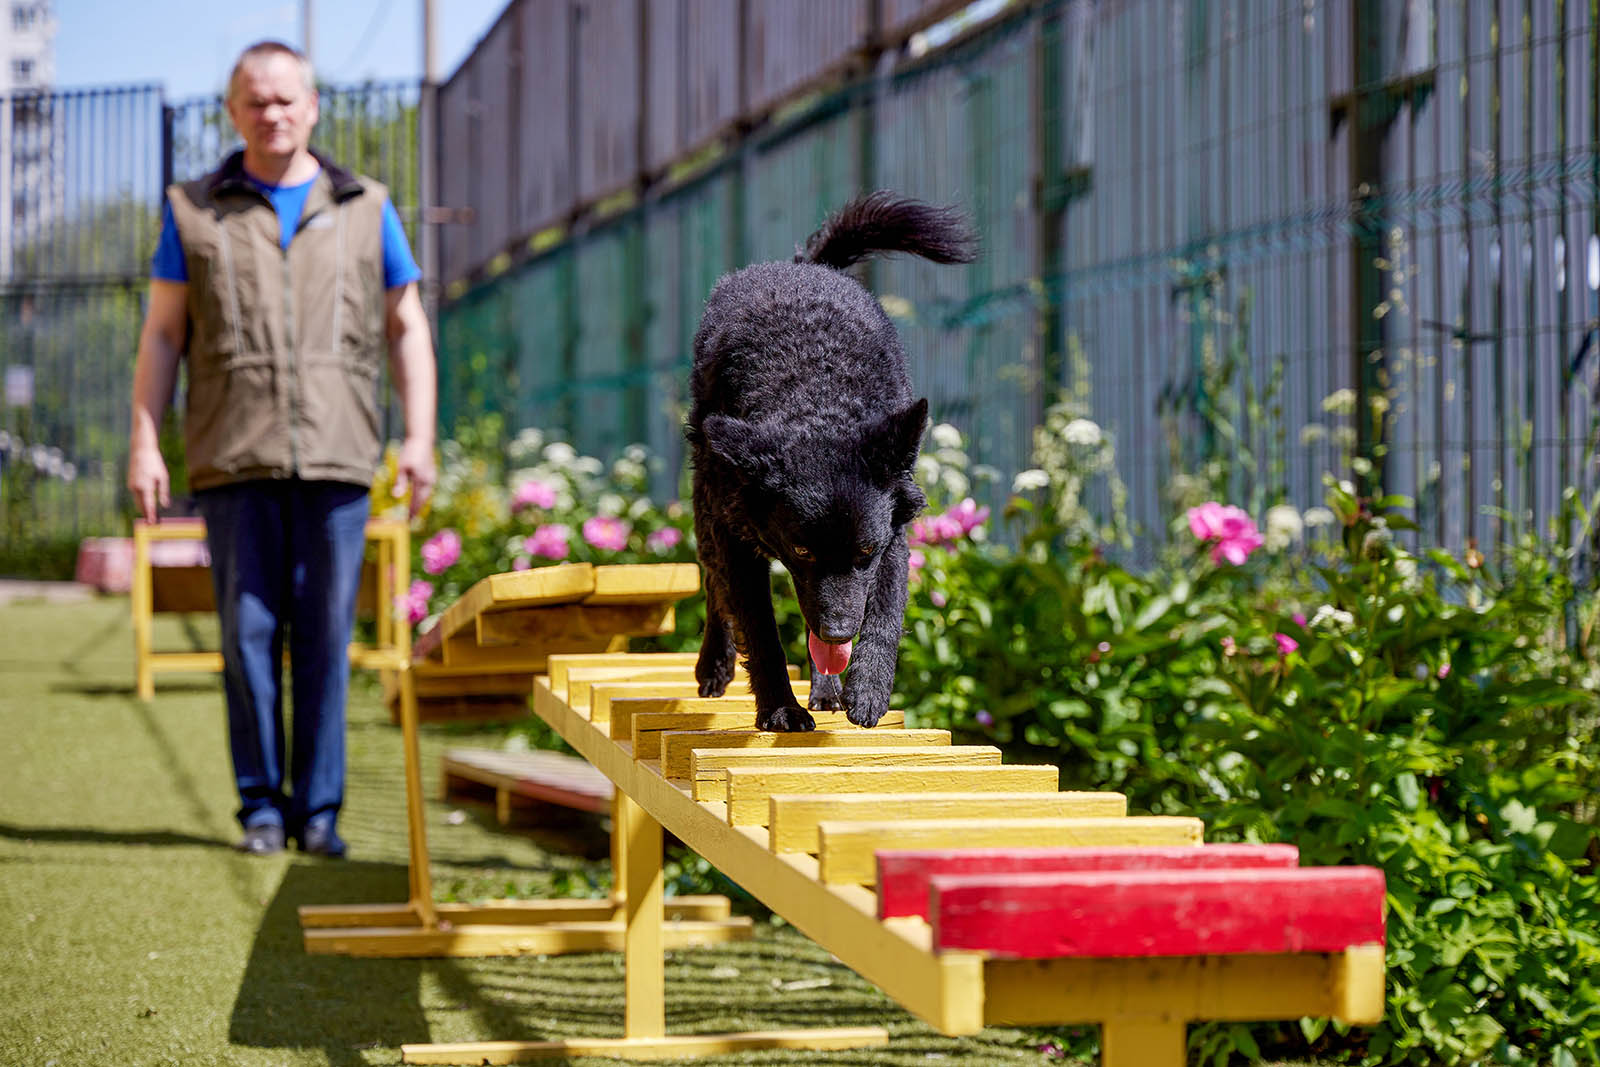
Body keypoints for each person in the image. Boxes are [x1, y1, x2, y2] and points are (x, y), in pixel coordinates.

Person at [126, 40, 437, 858]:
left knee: (327, 638)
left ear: (313, 106)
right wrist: (144, 442)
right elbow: (162, 335)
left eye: (285, 99)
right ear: (232, 112)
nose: (272, 113)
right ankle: (262, 807)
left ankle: (320, 813)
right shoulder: (194, 209)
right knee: (248, 635)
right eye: (255, 101)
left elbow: (407, 327)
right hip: (233, 458)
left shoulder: (367, 206)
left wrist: (420, 436)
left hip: (338, 461)